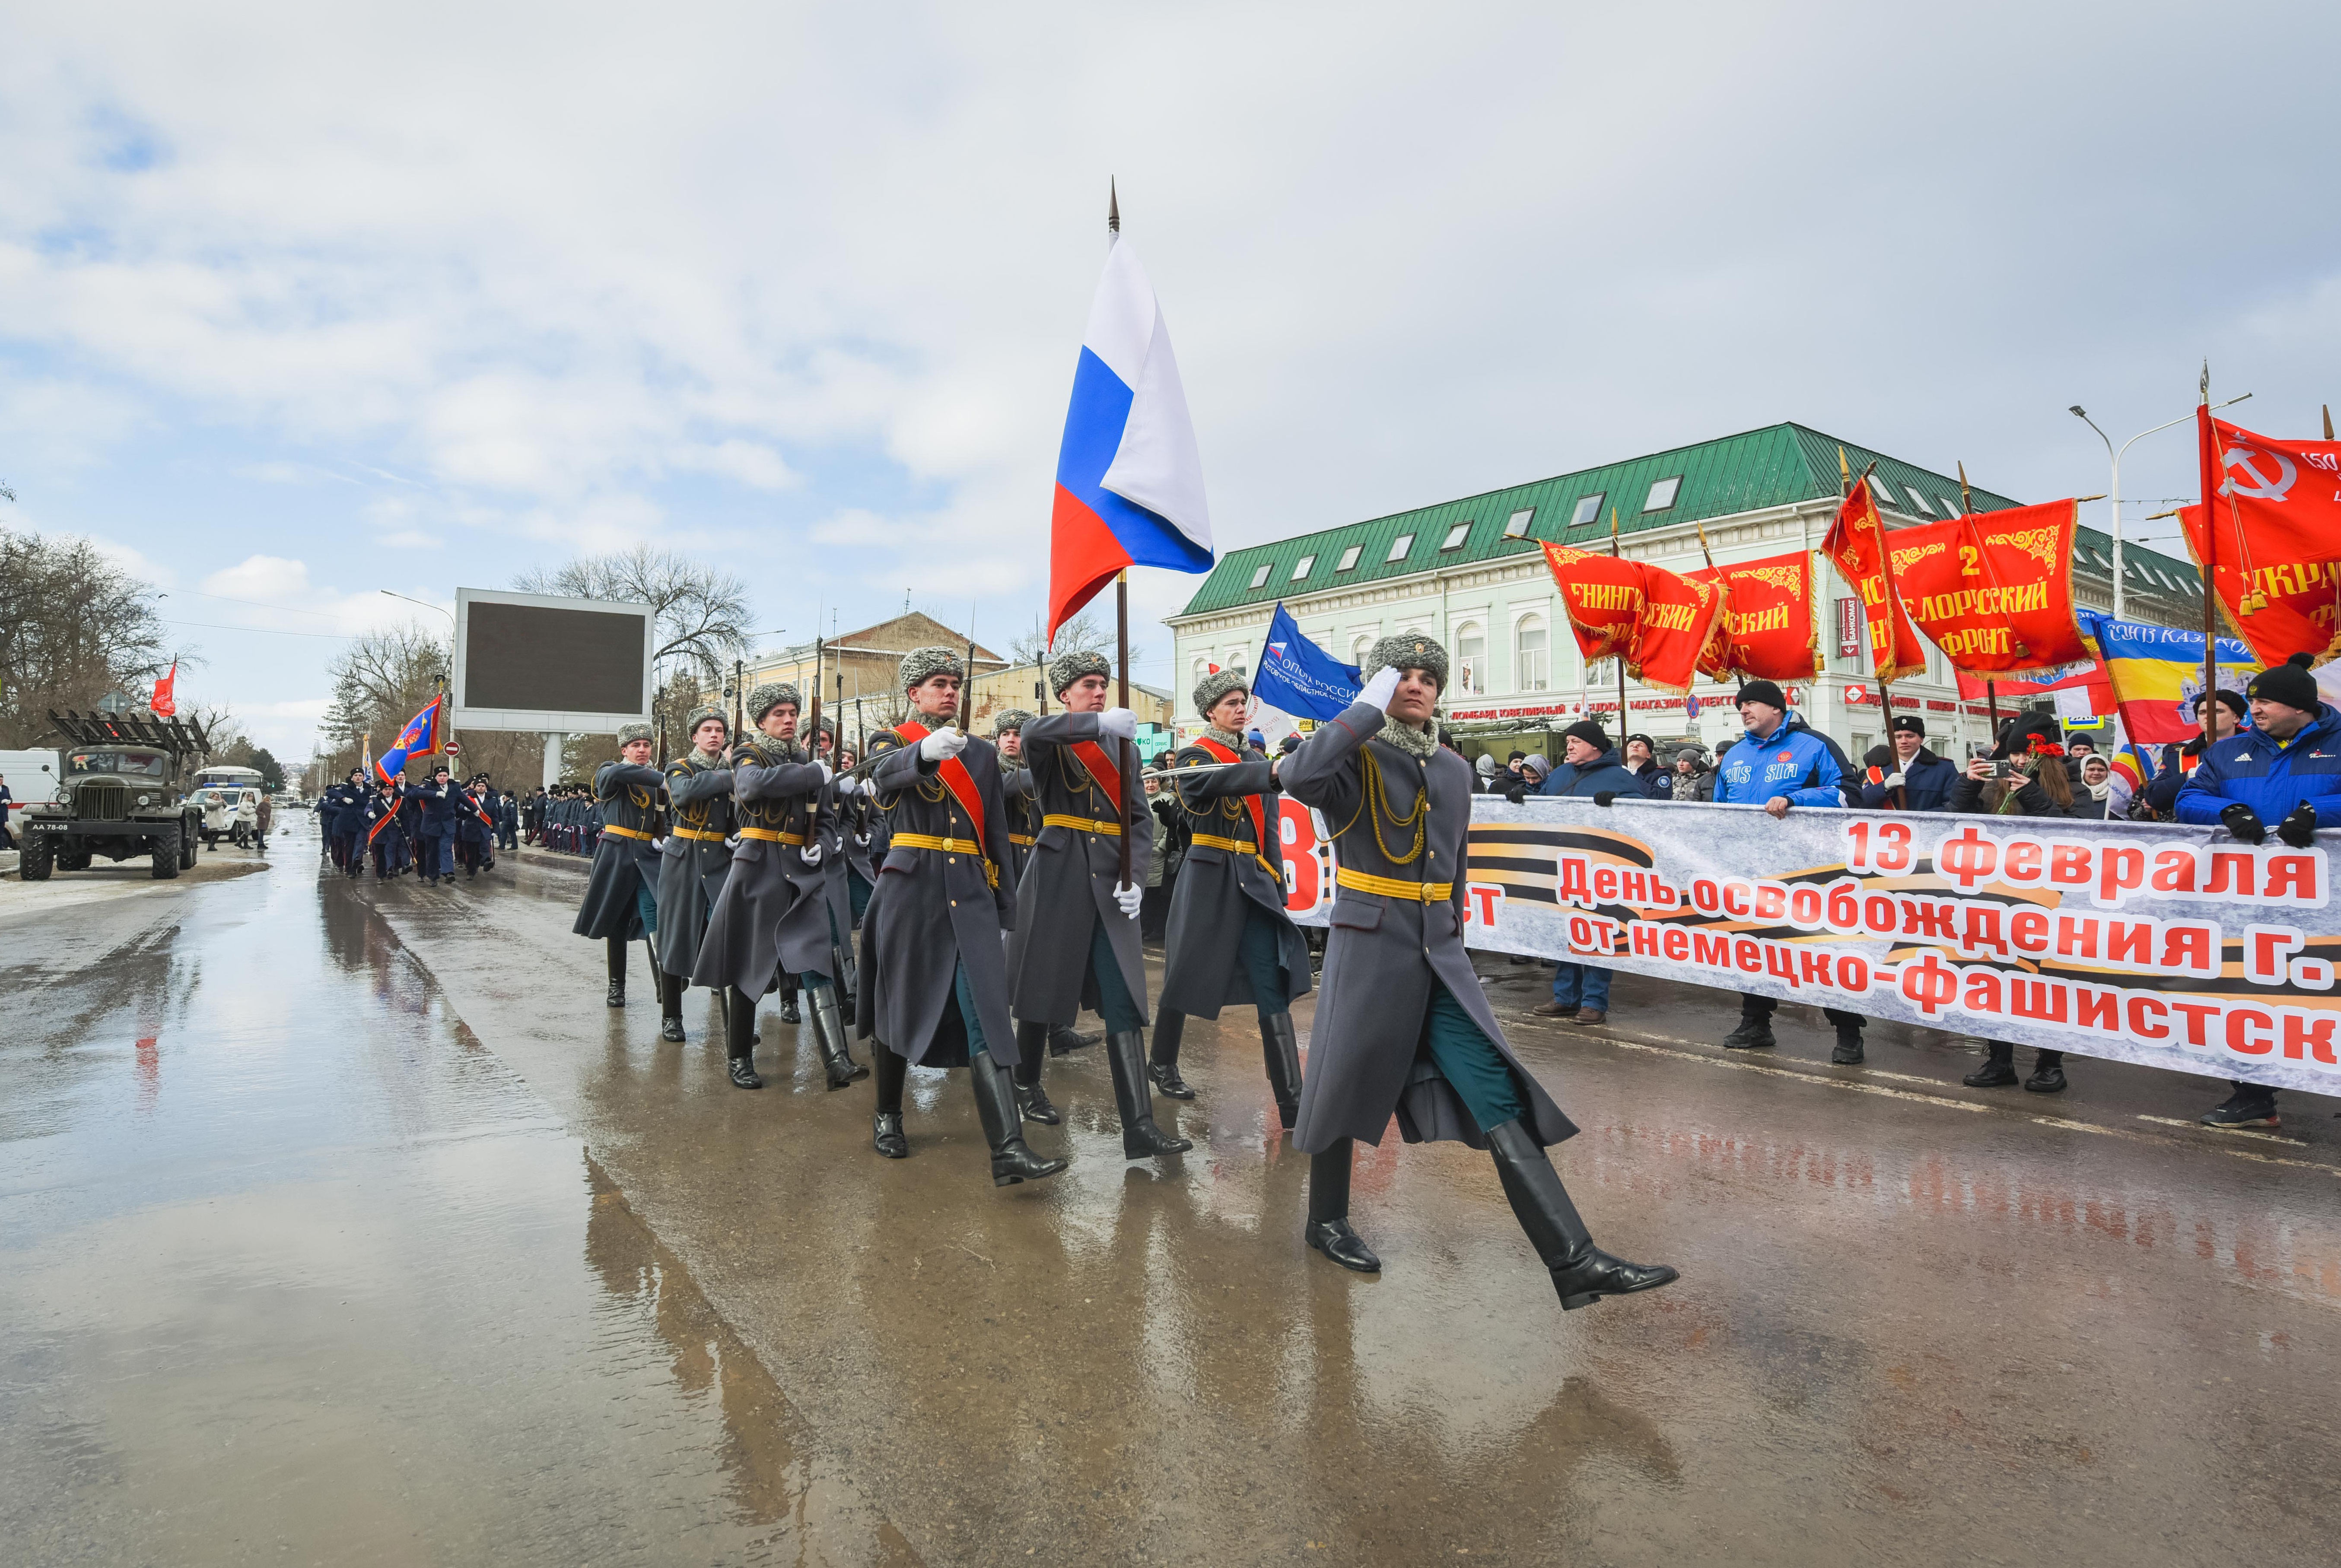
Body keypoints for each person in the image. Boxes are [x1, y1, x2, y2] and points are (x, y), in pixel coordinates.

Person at [1279, 632, 1677, 1308]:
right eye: (1399, 675)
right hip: (1371, 942)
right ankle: (1326, 1220)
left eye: (1427, 677)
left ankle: (1573, 1257)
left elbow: (1454, 861)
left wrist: (1456, 937)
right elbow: (1297, 777)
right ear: (1377, 687)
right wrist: (1362, 710)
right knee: (1345, 1083)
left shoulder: (1455, 769)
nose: (1416, 684)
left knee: (1495, 1091)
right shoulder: (1355, 754)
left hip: (1438, 952)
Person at [857, 647, 1063, 1184]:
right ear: (913, 694)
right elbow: (881, 779)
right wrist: (922, 753)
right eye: (938, 684)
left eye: (955, 683)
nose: (950, 691)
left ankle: (1009, 1148)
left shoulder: (980, 754)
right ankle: (888, 1114)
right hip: (911, 889)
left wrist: (1003, 905)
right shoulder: (893, 741)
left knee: (987, 1014)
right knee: (900, 1005)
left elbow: (995, 828)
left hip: (970, 891)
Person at [1008, 650, 1190, 1160]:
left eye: (1103, 685)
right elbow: (1035, 736)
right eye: (1088, 685)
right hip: (1060, 869)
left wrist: (1133, 875)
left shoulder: (1124, 746)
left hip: (1113, 879)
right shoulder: (1054, 737)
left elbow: (1139, 818)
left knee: (1123, 995)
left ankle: (1139, 1125)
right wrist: (1092, 723)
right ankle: (1025, 1084)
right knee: (1044, 985)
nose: (1099, 691)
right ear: (1065, 693)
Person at [2177, 652, 2341, 1129]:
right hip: (2253, 902)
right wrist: (2226, 812)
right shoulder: (2228, 751)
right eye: (2253, 701)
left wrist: (2320, 811)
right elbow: (2190, 799)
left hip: (2326, 902)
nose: (2256, 710)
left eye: (2265, 701)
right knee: (2251, 992)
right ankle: (2253, 1094)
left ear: (2299, 707)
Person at [1148, 669, 1314, 1129]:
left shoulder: (1254, 757)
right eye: (1230, 703)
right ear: (1209, 712)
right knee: (1185, 974)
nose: (1241, 708)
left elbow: (1271, 828)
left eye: (1243, 701)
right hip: (1209, 874)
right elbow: (1206, 787)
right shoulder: (1195, 755)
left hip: (1254, 878)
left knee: (1270, 983)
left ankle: (1293, 1105)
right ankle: (1161, 1063)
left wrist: (1277, 879)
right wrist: (1268, 771)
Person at [693, 685, 860, 1090]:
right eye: (779, 714)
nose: (789, 720)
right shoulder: (750, 754)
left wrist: (821, 846)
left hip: (801, 873)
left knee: (817, 960)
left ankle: (837, 1060)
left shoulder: (809, 761)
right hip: (759, 868)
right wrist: (811, 773)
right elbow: (751, 786)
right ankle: (739, 1059)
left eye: (793, 712)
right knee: (750, 965)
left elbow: (823, 820)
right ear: (761, 720)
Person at [1711, 681, 1868, 1063]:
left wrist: (1796, 800)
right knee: (1753, 948)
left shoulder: (1815, 745)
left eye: (1750, 704)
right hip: (1751, 870)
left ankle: (1848, 1033)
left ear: (1776, 709)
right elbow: (1715, 812)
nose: (1743, 711)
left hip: (1809, 872)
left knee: (1824, 949)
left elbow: (1849, 794)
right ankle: (1756, 1023)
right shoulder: (1734, 755)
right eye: (1740, 706)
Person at [1948, 710, 2077, 1093]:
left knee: (2048, 984)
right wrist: (1968, 785)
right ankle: (1999, 1059)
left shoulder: (2073, 781)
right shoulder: (1995, 784)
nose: (2021, 761)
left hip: (2050, 902)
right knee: (1995, 980)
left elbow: (2081, 832)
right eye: (2015, 754)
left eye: (2028, 754)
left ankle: (2050, 1063)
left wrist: (2032, 794)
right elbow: (1953, 822)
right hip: (1996, 899)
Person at [993, 711, 1099, 1100]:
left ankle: (1057, 1030)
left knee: (1054, 950)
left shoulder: (1044, 762)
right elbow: (1004, 787)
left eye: (1017, 734)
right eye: (1005, 733)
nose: (1011, 740)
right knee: (1018, 954)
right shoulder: (994, 767)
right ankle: (1007, 1035)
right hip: (1006, 862)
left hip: (1039, 856)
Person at [1529, 721, 1651, 1025]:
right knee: (1565, 931)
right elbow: (1540, 805)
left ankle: (1594, 1002)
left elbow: (1647, 815)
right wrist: (1523, 800)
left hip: (1601, 870)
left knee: (1597, 935)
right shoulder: (1560, 774)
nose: (1568, 746)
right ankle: (1565, 997)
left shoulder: (1619, 777)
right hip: (1561, 865)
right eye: (1568, 741)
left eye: (1575, 741)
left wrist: (1620, 802)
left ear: (1595, 746)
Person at [572, 726, 666, 1011]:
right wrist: (665, 778)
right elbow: (614, 775)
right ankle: (617, 987)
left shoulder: (656, 783)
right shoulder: (611, 772)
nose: (642, 750)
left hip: (650, 855)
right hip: (618, 854)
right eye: (635, 745)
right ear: (624, 750)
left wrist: (668, 835)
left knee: (656, 916)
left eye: (647, 745)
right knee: (617, 923)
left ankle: (664, 983)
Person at [655, 706, 735, 1044]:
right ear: (695, 737)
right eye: (707, 730)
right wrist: (730, 774)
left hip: (720, 860)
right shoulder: (679, 768)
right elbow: (685, 793)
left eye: (719, 730)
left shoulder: (736, 766)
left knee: (728, 939)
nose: (715, 735)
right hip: (684, 861)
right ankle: (672, 1018)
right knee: (674, 940)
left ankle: (736, 1023)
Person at [2142, 691, 2245, 819]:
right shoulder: (2180, 755)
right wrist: (2190, 775)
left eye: (2218, 711)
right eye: (2202, 713)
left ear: (2236, 717)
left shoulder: (2257, 750)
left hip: (2243, 825)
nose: (2208, 716)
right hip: (2194, 831)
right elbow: (2154, 797)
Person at [1856, 714, 1960, 812]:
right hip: (1889, 830)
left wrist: (1916, 818)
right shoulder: (1878, 770)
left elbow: (1954, 806)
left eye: (1910, 736)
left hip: (1928, 829)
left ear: (1921, 739)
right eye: (1898, 737)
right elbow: (1860, 803)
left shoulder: (1944, 769)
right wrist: (1885, 787)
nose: (1904, 741)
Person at [1622, 733, 1671, 800]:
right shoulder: (1617, 772)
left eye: (1640, 746)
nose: (1635, 746)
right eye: (1631, 745)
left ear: (1648, 755)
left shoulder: (1661, 774)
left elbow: (1660, 797)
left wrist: (1630, 777)